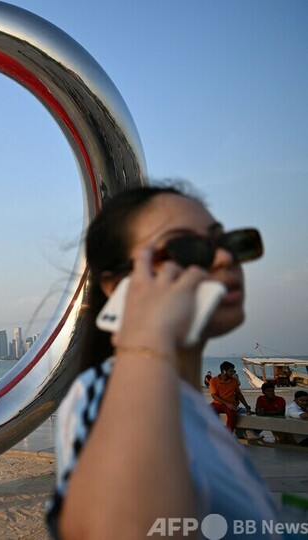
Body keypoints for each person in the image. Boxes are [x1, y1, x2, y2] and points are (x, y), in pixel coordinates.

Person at [46, 185, 281, 539]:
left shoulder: (195, 413)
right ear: (118, 285)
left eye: (228, 242)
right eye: (188, 249)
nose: (223, 260)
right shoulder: (108, 394)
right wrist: (146, 340)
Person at [209, 361, 254, 433]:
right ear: (224, 371)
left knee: (232, 415)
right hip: (217, 403)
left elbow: (239, 394)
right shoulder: (213, 380)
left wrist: (247, 407)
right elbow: (214, 395)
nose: (233, 373)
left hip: (230, 404)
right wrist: (227, 403)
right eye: (231, 371)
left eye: (234, 371)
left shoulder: (234, 381)